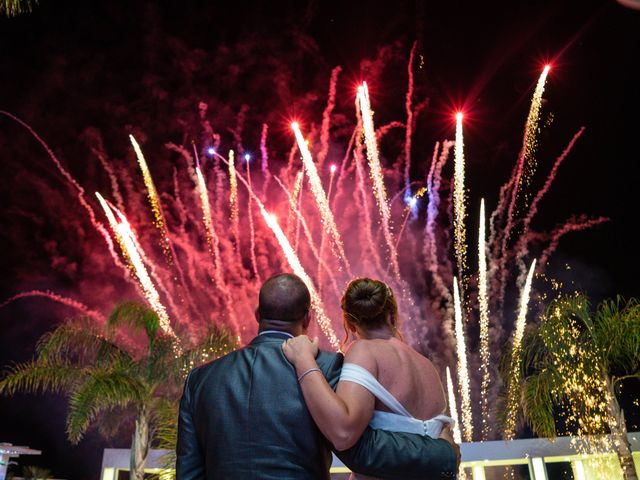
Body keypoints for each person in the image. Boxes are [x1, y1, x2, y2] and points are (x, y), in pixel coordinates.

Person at [177, 273, 459, 480]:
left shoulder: (200, 380)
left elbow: (188, 473)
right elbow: (361, 449)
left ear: (257, 314)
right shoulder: (324, 366)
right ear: (308, 318)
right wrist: (442, 452)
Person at [283, 277, 456, 480]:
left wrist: (304, 360)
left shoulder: (363, 351)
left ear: (350, 324)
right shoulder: (426, 365)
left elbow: (343, 433)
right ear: (393, 316)